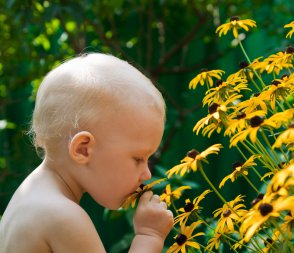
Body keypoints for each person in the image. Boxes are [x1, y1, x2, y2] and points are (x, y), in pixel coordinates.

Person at [0, 53, 174, 253]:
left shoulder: (28, 196)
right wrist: (149, 236)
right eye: (138, 159)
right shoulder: (64, 217)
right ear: (83, 148)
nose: (147, 175)